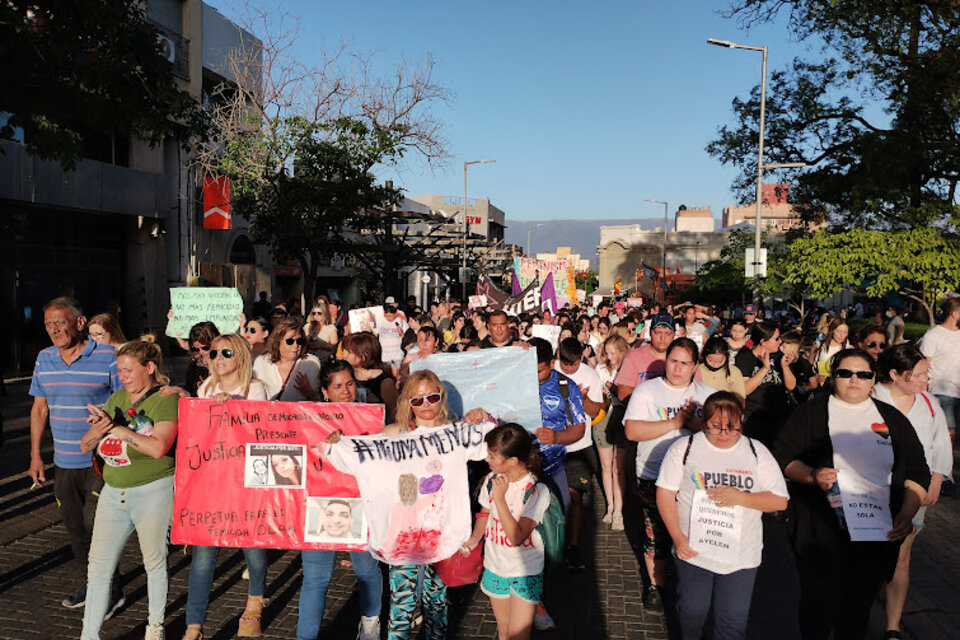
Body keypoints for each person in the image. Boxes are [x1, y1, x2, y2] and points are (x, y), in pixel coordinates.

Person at [772, 349, 930, 640]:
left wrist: (907, 514)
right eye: (845, 373)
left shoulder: (892, 419)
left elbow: (918, 473)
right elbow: (782, 458)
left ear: (873, 380)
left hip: (874, 533)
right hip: (820, 530)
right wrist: (810, 475)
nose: (853, 379)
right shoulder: (811, 413)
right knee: (817, 609)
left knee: (857, 611)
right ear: (833, 377)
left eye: (863, 374)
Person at [656, 391, 788, 640]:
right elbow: (664, 493)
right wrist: (677, 537)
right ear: (704, 421)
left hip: (740, 556)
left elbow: (780, 500)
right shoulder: (685, 448)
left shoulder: (756, 451)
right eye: (716, 427)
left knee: (732, 622)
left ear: (742, 422)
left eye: (732, 427)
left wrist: (742, 498)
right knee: (692, 611)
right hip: (694, 550)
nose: (725, 434)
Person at [78, 339, 179, 640]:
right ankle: (89, 634)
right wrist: (97, 430)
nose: (123, 376)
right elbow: (84, 445)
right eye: (119, 370)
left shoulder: (165, 398)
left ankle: (155, 626)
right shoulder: (117, 398)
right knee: (97, 567)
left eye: (129, 369)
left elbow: (159, 447)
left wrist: (116, 428)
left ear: (149, 368)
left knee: (154, 560)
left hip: (153, 490)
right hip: (114, 491)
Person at [29, 297, 125, 612]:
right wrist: (35, 456)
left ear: (80, 323)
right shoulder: (44, 359)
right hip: (64, 461)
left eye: (60, 322)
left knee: (96, 525)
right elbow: (39, 408)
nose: (55, 330)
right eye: (48, 325)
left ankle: (108, 591)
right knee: (75, 529)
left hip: (101, 461)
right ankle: (95, 582)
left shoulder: (109, 356)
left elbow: (124, 402)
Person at [184, 334, 269, 640]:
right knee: (204, 553)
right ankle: (194, 625)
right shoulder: (206, 388)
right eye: (214, 353)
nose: (217, 358)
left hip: (246, 481)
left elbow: (263, 429)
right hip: (212, 479)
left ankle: (255, 600)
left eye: (225, 352)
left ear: (241, 357)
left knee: (252, 547)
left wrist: (238, 406)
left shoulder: (255, 388)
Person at [624, 337, 714, 611]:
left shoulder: (706, 394)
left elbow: (719, 435)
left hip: (693, 479)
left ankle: (689, 582)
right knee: (656, 533)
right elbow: (633, 431)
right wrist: (674, 423)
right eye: (673, 361)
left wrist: (696, 424)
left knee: (692, 532)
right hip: (653, 473)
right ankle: (655, 584)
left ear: (695, 366)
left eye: (685, 363)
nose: (677, 369)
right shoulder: (647, 391)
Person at [297, 359, 383, 640]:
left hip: (360, 502)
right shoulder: (309, 417)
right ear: (324, 391)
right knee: (316, 578)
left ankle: (370, 623)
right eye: (337, 386)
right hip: (320, 504)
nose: (345, 391)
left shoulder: (369, 413)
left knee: (366, 569)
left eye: (350, 383)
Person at [873, 346, 953, 639]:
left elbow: (941, 443)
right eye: (918, 375)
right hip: (873, 487)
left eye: (925, 373)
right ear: (895, 374)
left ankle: (892, 625)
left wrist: (937, 477)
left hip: (914, 488)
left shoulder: (930, 404)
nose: (925, 380)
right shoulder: (869, 399)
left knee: (901, 555)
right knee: (868, 554)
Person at [462, 423, 551, 640]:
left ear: (511, 461)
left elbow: (516, 537)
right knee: (503, 631)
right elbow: (484, 511)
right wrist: (475, 538)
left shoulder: (536, 491)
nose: (486, 460)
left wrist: (500, 499)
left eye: (492, 456)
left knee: (518, 635)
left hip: (524, 572)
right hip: (494, 566)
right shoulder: (492, 481)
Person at [555, 337, 603, 571]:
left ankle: (573, 546)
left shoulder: (590, 375)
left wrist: (582, 399)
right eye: (566, 364)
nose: (570, 369)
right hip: (552, 446)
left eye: (574, 365)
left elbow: (597, 412)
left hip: (579, 446)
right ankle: (551, 544)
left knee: (576, 497)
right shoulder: (548, 370)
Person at [735, 322, 796, 446]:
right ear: (763, 341)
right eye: (776, 339)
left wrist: (785, 367)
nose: (780, 342)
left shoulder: (779, 356)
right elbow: (745, 389)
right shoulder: (745, 358)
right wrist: (764, 369)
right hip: (754, 417)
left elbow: (791, 386)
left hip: (779, 415)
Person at [595, 335, 630, 530]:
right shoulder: (600, 369)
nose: (609, 357)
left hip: (623, 416)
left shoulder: (628, 370)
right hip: (604, 417)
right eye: (606, 353)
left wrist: (616, 389)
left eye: (612, 352)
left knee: (619, 467)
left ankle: (619, 511)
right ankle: (610, 505)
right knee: (606, 466)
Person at [920, 296, 960, 444]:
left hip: (958, 389)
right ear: (954, 314)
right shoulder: (933, 335)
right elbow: (924, 365)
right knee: (949, 432)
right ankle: (945, 465)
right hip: (942, 391)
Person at [253, 316, 322, 401]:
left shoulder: (311, 363)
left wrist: (309, 392)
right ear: (277, 342)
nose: (296, 345)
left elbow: (321, 402)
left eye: (299, 341)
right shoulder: (261, 363)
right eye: (290, 341)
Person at [614, 311, 675, 402]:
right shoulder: (634, 357)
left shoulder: (684, 358)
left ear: (674, 335)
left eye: (667, 333)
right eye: (658, 332)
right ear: (650, 333)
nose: (662, 338)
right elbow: (623, 392)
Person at [341, 332, 399, 421]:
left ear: (363, 356)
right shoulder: (347, 375)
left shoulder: (385, 383)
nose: (344, 356)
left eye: (349, 352)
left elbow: (395, 415)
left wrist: (378, 406)